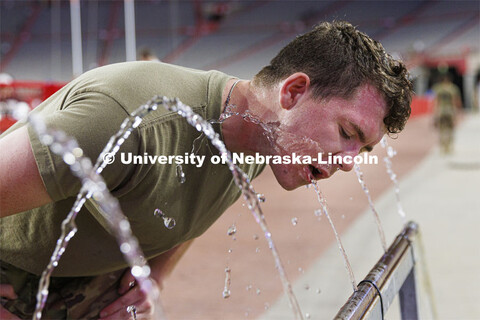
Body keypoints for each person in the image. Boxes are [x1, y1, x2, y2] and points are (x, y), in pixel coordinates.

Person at [0, 21, 412, 319]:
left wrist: (155, 277)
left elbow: (191, 208)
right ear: (294, 92)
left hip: (84, 279)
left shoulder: (257, 139)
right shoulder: (127, 122)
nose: (348, 161)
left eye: (363, 147)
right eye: (346, 132)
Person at [432, 73, 462, 154]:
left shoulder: (438, 88)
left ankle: (443, 147)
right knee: (451, 129)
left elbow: (436, 102)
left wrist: (435, 114)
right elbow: (456, 101)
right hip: (450, 110)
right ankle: (449, 147)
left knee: (441, 129)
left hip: (441, 110)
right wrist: (458, 112)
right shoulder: (453, 88)